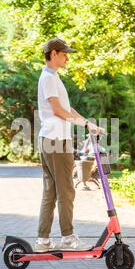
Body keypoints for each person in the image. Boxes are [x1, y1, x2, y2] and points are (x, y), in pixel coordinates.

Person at [35, 37, 103, 252]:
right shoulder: (48, 78)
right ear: (53, 53)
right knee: (66, 191)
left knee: (52, 192)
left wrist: (88, 124)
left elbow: (68, 109)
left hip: (50, 139)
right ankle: (68, 238)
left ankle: (43, 241)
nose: (67, 58)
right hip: (56, 140)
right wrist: (83, 123)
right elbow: (58, 111)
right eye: (64, 54)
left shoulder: (52, 77)